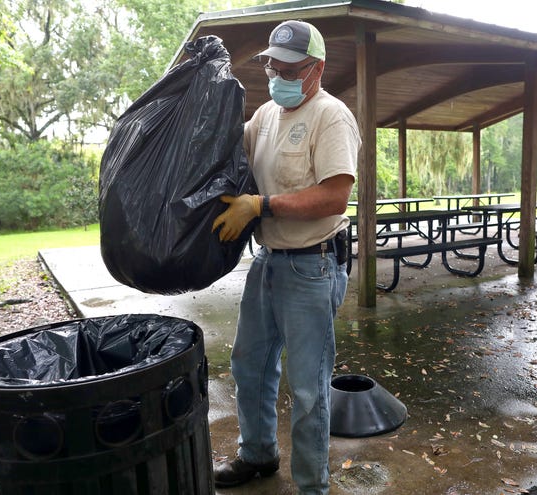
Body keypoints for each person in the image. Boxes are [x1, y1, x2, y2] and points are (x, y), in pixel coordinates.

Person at [211, 20, 361, 495]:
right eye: (274, 63)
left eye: (291, 67)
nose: (279, 73)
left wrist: (262, 205)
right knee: (249, 365)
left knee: (308, 387)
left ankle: (311, 486)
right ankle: (256, 455)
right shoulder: (266, 116)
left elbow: (335, 197)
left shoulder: (331, 116)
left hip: (313, 265)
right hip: (269, 260)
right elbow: (231, 154)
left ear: (316, 68)